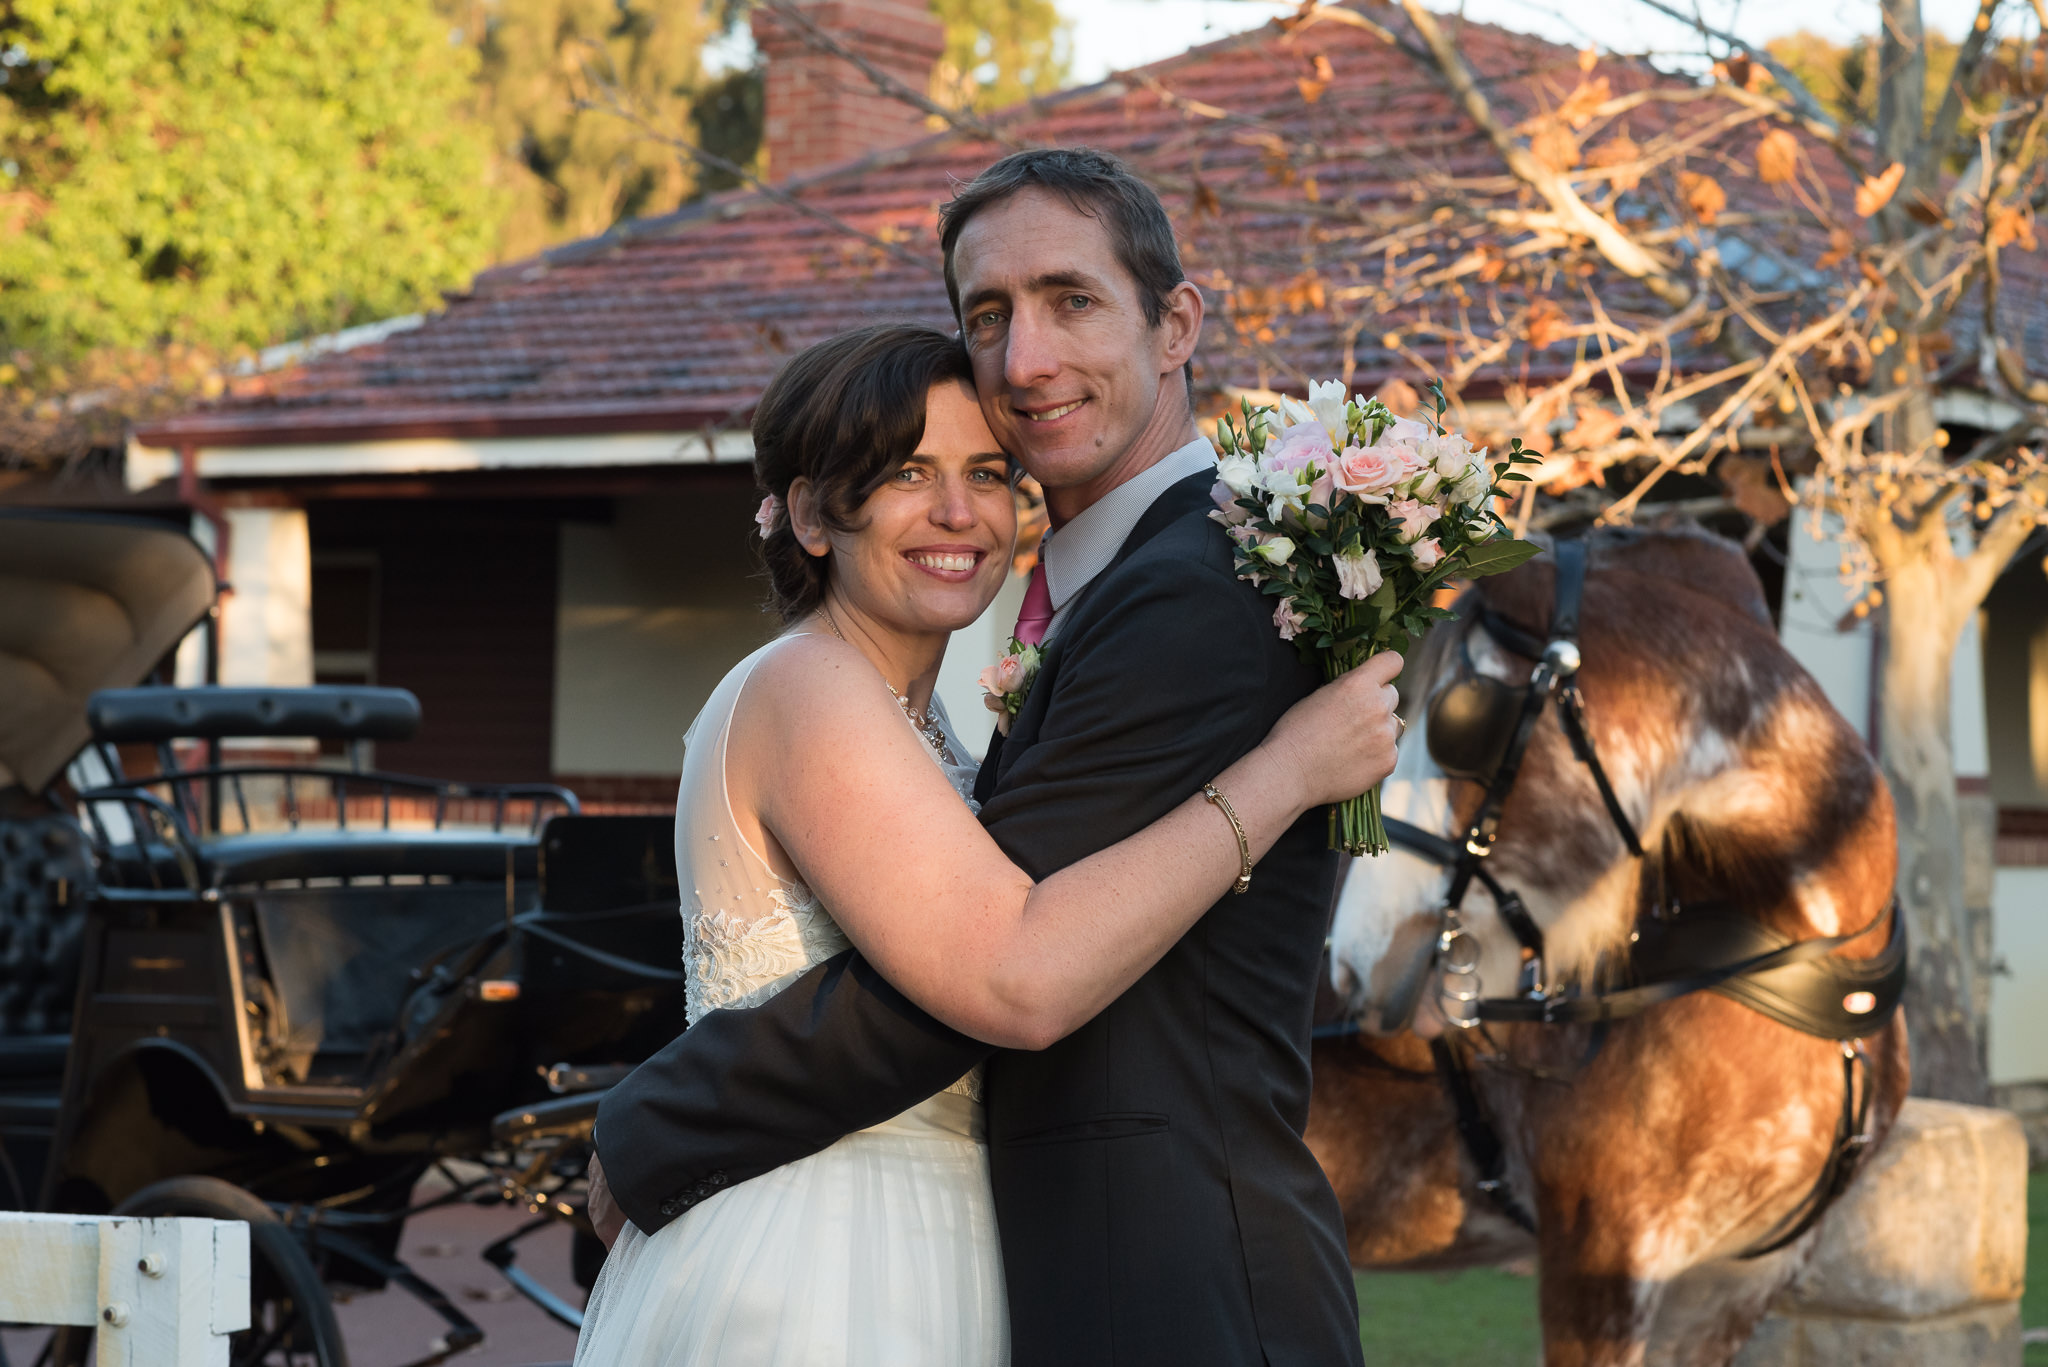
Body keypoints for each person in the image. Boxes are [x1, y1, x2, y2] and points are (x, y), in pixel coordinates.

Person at [582, 149, 1396, 1367]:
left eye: (1070, 301)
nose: (1023, 361)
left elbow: (1007, 968)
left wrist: (645, 1125)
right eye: (989, 316)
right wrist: (1282, 768)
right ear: (813, 515)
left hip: (1169, 1277)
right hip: (839, 1258)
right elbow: (996, 952)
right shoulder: (838, 679)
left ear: (1175, 323)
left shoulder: (1190, 590)